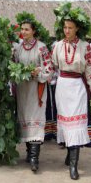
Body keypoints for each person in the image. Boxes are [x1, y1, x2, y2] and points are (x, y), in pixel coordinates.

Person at [52, 3, 91, 180]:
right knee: (66, 124)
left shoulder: (85, 46)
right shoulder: (57, 46)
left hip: (78, 86)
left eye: (70, 27)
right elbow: (52, 67)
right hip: (62, 86)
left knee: (76, 124)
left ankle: (73, 165)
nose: (67, 30)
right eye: (64, 27)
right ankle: (70, 153)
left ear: (77, 28)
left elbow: (90, 71)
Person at [13, 16, 53, 172]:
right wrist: (17, 72)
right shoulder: (17, 48)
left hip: (37, 89)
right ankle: (29, 153)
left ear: (33, 31)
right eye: (22, 29)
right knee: (24, 119)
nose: (23, 32)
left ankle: (35, 158)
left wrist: (39, 72)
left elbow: (50, 68)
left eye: (27, 29)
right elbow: (13, 66)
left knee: (36, 120)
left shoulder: (42, 47)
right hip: (23, 89)